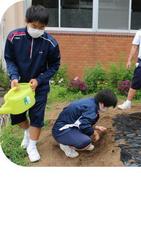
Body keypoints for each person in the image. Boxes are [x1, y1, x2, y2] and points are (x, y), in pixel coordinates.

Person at [4, 5, 61, 162]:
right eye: (34, 26)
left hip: (38, 87)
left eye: (41, 27)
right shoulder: (13, 37)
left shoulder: (50, 43)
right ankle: (26, 133)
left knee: (37, 116)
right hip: (18, 87)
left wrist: (40, 79)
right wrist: (14, 76)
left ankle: (32, 146)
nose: (37, 30)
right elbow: (9, 59)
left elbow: (55, 65)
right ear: (26, 21)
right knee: (18, 116)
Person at [52, 89, 117, 158]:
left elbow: (81, 120)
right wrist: (94, 132)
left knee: (89, 130)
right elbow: (83, 125)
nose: (108, 109)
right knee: (86, 141)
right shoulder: (91, 110)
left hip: (66, 126)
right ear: (102, 104)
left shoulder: (92, 102)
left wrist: (96, 127)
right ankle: (65, 145)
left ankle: (72, 139)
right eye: (108, 107)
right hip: (61, 131)